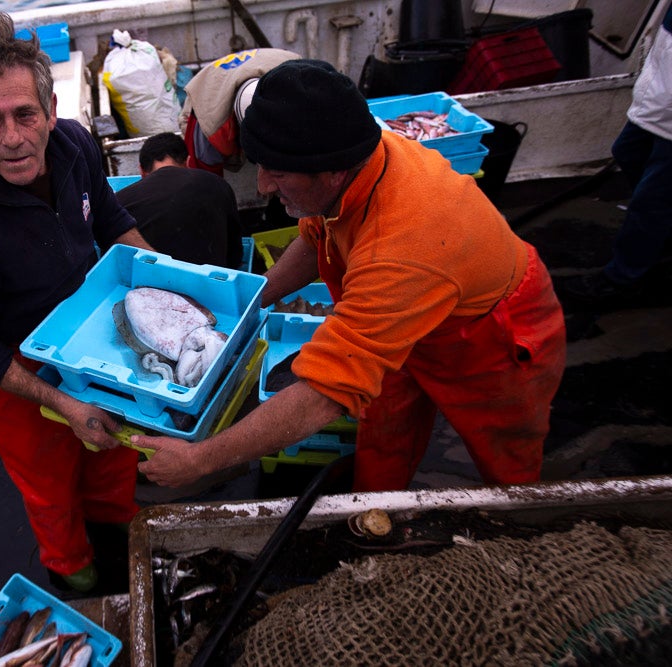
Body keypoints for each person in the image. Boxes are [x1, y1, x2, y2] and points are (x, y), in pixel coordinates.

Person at [133, 59, 567, 493]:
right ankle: (374, 512)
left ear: (333, 172)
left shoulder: (400, 247)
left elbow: (326, 391)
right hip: (407, 312)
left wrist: (200, 458)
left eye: (278, 173)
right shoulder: (358, 161)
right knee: (383, 427)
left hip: (491, 332)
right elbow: (316, 234)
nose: (263, 185)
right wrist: (251, 301)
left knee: (506, 455)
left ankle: (518, 527)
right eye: (260, 166)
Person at [0, 13, 152, 593]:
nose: (12, 137)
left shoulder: (73, 143)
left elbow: (114, 221)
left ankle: (119, 538)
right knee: (49, 484)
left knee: (113, 448)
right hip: (8, 365)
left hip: (85, 333)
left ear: (48, 111)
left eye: (25, 114)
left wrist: (168, 283)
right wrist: (61, 403)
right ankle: (75, 573)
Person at [563, 5, 672, 305]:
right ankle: (660, 235)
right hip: (661, 88)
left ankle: (623, 278)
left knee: (652, 200)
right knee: (627, 151)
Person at [116, 132, 243, 268]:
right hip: (215, 284)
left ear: (141, 170)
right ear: (188, 162)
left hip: (146, 284)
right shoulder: (219, 184)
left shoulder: (120, 201)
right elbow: (235, 256)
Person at [181, 48, 300, 175]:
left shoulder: (299, 76)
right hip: (210, 85)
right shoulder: (209, 125)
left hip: (273, 61)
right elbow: (205, 181)